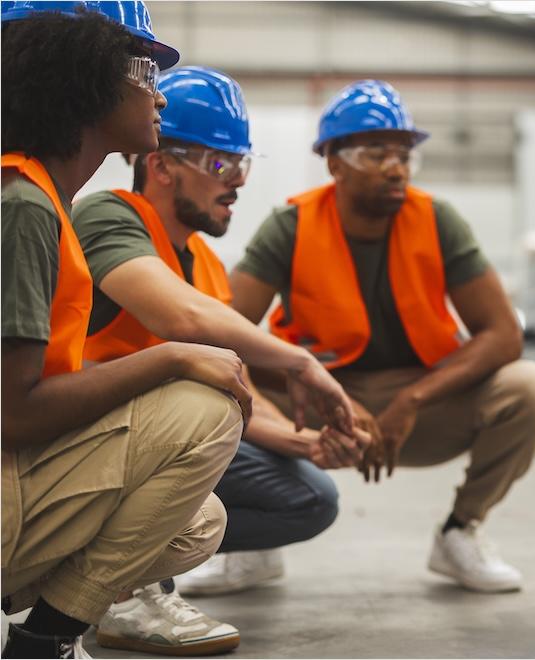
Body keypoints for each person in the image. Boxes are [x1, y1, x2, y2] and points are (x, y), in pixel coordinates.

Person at [71, 65, 366, 655]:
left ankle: (112, 566)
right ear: (160, 165)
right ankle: (123, 589)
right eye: (219, 165)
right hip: (75, 437)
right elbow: (181, 319)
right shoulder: (109, 216)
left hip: (152, 439)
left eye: (241, 165)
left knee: (309, 497)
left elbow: (234, 392)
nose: (236, 182)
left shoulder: (203, 263)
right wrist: (302, 363)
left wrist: (306, 441)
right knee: (195, 390)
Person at [229, 80, 535, 593]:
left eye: (404, 154)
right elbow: (227, 333)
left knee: (532, 387)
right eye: (375, 152)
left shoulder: (436, 220)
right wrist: (319, 386)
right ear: (334, 163)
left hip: (421, 406)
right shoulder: (291, 225)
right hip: (313, 400)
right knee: (215, 386)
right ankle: (254, 543)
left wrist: (412, 400)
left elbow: (502, 335)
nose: (395, 166)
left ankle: (460, 531)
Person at [1, 2, 249, 657]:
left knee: (197, 522)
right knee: (207, 410)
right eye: (142, 69)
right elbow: (14, 416)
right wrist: (171, 359)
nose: (158, 95)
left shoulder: (37, 194)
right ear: (78, 73)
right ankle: (48, 637)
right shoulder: (24, 206)